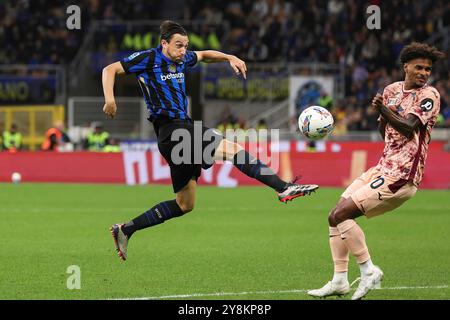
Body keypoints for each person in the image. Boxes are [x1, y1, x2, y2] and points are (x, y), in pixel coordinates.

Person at [102, 20, 319, 261]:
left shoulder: (183, 58)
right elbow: (109, 70)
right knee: (233, 149)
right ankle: (283, 188)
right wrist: (110, 99)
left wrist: (229, 57)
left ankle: (125, 229)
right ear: (164, 43)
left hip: (179, 133)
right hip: (172, 131)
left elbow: (204, 54)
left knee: (185, 204)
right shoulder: (148, 58)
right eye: (178, 45)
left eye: (185, 46)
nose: (183, 50)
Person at [307, 42, 445, 300]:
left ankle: (369, 270)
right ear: (406, 66)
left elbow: (408, 127)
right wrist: (383, 117)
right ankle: (339, 280)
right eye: (419, 67)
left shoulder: (430, 96)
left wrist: (383, 110)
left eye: (428, 69)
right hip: (382, 166)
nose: (424, 73)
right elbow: (387, 132)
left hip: (402, 175)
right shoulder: (392, 90)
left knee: (343, 214)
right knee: (333, 215)